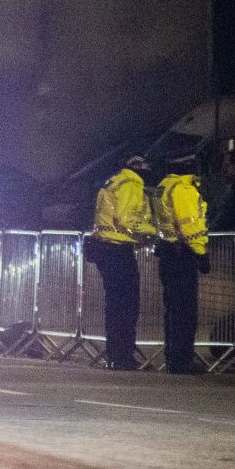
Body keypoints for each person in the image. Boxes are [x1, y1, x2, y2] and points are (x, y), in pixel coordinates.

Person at [87, 155, 155, 370]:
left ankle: (116, 354)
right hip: (118, 251)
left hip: (105, 248)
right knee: (127, 306)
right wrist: (153, 231)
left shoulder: (113, 181)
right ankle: (123, 356)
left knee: (115, 306)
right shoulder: (132, 184)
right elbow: (127, 219)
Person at [151, 155, 210, 374]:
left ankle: (174, 357)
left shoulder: (163, 186)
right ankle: (182, 360)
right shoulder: (183, 188)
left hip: (168, 251)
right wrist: (201, 252)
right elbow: (190, 226)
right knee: (185, 311)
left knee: (173, 310)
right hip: (182, 254)